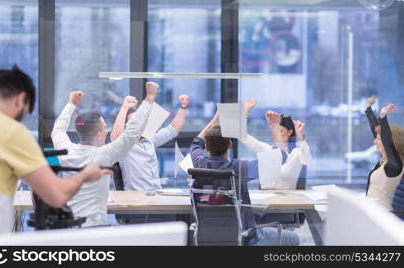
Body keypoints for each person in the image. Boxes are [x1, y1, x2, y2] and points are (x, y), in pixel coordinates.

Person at [0, 65, 110, 236]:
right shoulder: (10, 131)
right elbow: (57, 195)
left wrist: (71, 104)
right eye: (24, 113)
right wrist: (84, 174)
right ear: (20, 99)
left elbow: (58, 131)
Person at [51, 82, 159, 227]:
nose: (107, 130)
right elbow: (132, 133)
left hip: (70, 229)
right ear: (99, 134)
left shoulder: (66, 152)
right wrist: (149, 98)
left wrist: (71, 104)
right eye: (104, 127)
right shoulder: (104, 155)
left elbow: (57, 130)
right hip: (95, 232)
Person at [189, 113, 300, 246]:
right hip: (246, 239)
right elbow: (279, 157)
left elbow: (195, 144)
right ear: (230, 145)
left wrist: (213, 122)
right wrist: (275, 127)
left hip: (208, 238)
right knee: (293, 238)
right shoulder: (239, 168)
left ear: (206, 147)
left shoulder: (200, 165)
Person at [111, 95, 189, 191]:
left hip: (156, 194)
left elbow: (174, 128)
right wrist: (125, 107)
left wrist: (183, 106)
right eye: (135, 121)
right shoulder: (125, 146)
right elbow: (117, 136)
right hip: (136, 197)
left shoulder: (148, 140)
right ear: (126, 126)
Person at [241, 99, 312, 190]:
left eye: (280, 131)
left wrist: (301, 137)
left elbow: (306, 159)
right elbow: (243, 137)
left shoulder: (295, 153)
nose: (276, 134)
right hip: (265, 199)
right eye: (274, 130)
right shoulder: (267, 149)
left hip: (288, 201)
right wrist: (246, 110)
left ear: (289, 132)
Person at [365, 96, 404, 210]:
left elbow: (388, 141)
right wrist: (368, 109)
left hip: (382, 215)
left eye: (378, 139)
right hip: (372, 213)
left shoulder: (395, 165)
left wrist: (383, 117)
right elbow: (375, 129)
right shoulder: (385, 161)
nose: (374, 141)